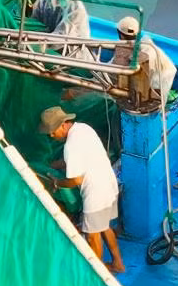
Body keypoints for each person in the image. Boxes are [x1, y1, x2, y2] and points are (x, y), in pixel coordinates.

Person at [38, 106, 125, 273]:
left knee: (92, 235)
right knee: (104, 226)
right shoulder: (83, 128)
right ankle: (117, 263)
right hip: (109, 183)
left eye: (52, 131)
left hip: (95, 193)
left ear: (63, 125)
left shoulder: (70, 146)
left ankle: (97, 276)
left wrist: (57, 183)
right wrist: (55, 164)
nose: (51, 135)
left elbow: (75, 180)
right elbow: (79, 158)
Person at [113, 16, 176, 112]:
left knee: (156, 104)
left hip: (162, 77)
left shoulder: (144, 53)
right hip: (164, 70)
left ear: (121, 35)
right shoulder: (145, 44)